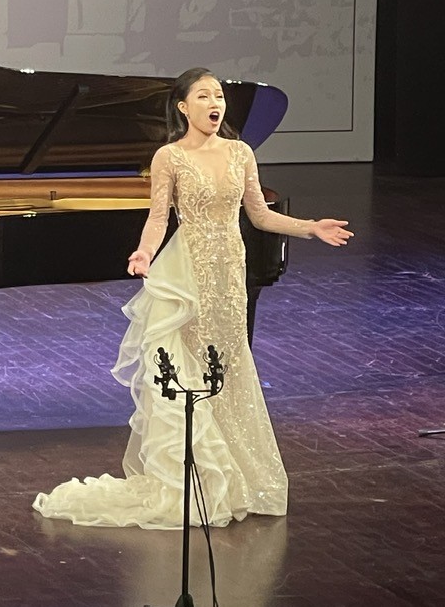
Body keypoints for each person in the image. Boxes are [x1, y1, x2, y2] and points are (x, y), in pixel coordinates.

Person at [33, 68, 352, 529]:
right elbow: (158, 218)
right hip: (188, 275)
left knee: (229, 366)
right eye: (203, 96)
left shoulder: (240, 153)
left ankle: (237, 478)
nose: (214, 103)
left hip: (230, 275)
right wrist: (145, 252)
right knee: (190, 368)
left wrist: (310, 228)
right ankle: (197, 478)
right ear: (184, 107)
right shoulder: (170, 157)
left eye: (218, 95)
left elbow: (260, 215)